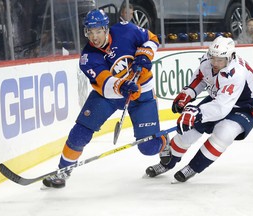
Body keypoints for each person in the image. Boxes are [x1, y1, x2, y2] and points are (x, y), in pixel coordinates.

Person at [42, 9, 168, 188]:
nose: (94, 37)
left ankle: (165, 141)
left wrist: (144, 54)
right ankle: (63, 170)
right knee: (80, 132)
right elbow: (106, 83)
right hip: (109, 96)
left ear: (106, 29)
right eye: (90, 32)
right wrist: (122, 86)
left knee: (148, 148)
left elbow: (152, 38)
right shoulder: (88, 58)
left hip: (142, 92)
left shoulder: (126, 30)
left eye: (98, 31)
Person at [146, 36, 253, 182]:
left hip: (243, 107)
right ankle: (166, 164)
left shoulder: (237, 74)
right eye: (213, 58)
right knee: (189, 130)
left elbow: (221, 108)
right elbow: (201, 78)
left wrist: (196, 113)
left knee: (223, 134)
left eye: (220, 60)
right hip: (219, 99)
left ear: (230, 57)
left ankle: (193, 168)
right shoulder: (209, 61)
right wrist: (187, 94)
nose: (215, 63)